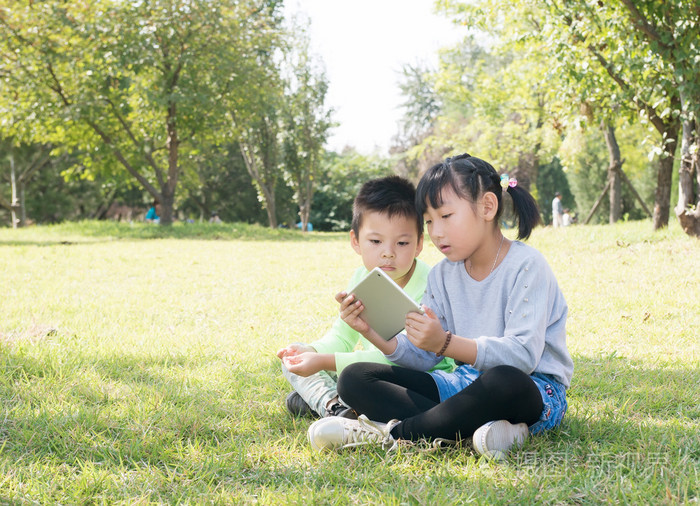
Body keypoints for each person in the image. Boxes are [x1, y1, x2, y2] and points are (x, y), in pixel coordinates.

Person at [307, 154, 573, 460]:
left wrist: (445, 343)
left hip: (532, 389)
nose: (436, 231)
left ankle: (390, 434)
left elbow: (523, 357)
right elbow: (422, 357)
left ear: (487, 207)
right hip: (463, 386)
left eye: (446, 216)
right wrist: (372, 332)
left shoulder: (527, 265)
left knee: (503, 380)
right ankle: (481, 430)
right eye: (429, 221)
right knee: (354, 378)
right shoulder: (443, 274)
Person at [277, 176, 454, 419]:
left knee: (351, 376)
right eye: (375, 241)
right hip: (369, 373)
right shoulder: (362, 277)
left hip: (418, 380)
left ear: (419, 244)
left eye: (402, 243)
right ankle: (336, 407)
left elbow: (401, 359)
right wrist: (311, 351)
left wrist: (322, 360)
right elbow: (342, 337)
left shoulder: (431, 284)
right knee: (296, 357)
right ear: (356, 241)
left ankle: (329, 402)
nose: (388, 253)